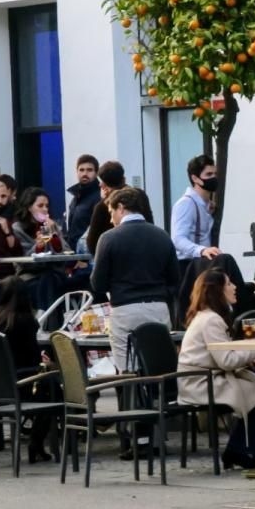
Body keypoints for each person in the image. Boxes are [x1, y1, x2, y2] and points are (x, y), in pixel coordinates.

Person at [177, 269, 255, 470]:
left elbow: (222, 356)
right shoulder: (211, 320)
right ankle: (241, 450)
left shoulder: (208, 316)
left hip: (207, 378)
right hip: (202, 383)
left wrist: (251, 357)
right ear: (217, 291)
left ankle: (241, 450)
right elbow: (226, 360)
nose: (235, 287)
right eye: (229, 284)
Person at [91, 187, 179, 373]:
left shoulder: (108, 238)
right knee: (159, 367)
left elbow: (97, 283)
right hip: (159, 308)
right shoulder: (162, 236)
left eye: (111, 212)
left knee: (128, 371)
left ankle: (132, 402)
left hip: (125, 309)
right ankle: (160, 401)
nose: (110, 219)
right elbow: (175, 279)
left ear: (121, 207)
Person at [0, 277, 52, 464]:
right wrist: (43, 361)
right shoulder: (26, 321)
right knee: (54, 390)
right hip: (19, 385)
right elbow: (31, 358)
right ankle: (37, 442)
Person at [86, 161, 154, 255]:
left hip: (116, 258)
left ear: (104, 185)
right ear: (124, 179)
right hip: (144, 254)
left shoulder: (102, 206)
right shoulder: (141, 195)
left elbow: (91, 243)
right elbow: (150, 222)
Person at [171, 154, 221, 263]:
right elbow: (178, 239)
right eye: (208, 174)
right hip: (189, 265)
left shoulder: (207, 205)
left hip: (204, 263)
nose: (213, 177)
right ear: (195, 178)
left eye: (215, 174)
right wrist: (201, 250)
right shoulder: (186, 203)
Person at [11, 187, 67, 254]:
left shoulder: (52, 225)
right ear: (29, 207)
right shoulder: (18, 228)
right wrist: (38, 248)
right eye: (40, 206)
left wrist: (54, 236)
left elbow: (66, 252)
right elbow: (23, 259)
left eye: (47, 206)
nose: (45, 209)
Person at [66, 154, 102, 251]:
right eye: (81, 170)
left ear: (96, 173)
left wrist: (85, 259)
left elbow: (99, 230)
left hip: (88, 255)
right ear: (77, 172)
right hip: (74, 254)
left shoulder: (100, 197)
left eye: (89, 170)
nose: (85, 173)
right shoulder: (76, 197)